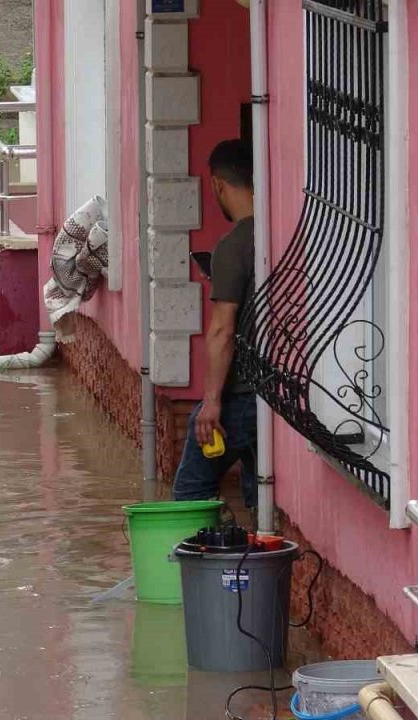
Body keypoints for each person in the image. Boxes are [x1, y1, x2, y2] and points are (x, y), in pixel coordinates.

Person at [174, 139, 258, 514]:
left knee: (191, 493)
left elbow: (223, 330)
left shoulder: (235, 244)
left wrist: (210, 403)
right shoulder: (281, 231)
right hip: (278, 397)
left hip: (240, 395)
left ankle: (213, 561)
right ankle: (253, 559)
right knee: (261, 497)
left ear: (218, 185)